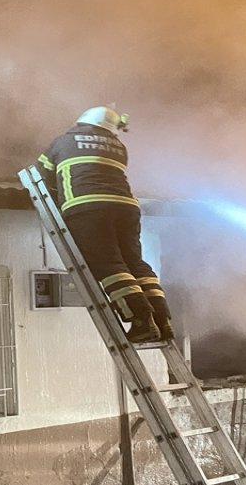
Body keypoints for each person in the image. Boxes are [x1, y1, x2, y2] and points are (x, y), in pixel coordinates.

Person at [36, 105, 174, 344]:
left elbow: (40, 174)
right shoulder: (119, 147)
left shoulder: (63, 142)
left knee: (108, 264)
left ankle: (140, 320)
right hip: (127, 209)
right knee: (134, 263)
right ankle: (161, 320)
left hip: (88, 207)